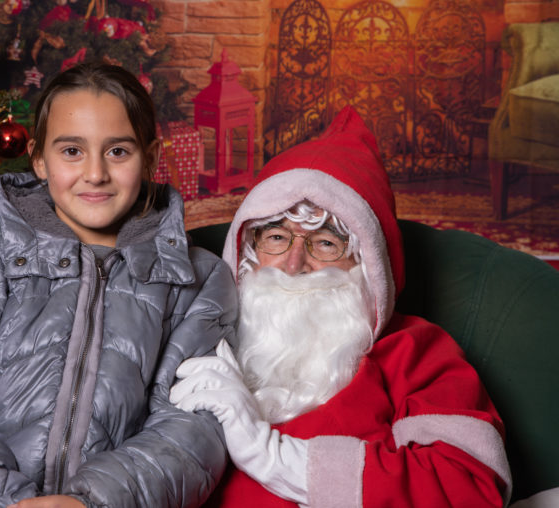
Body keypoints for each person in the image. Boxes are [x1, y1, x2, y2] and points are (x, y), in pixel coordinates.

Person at [0, 62, 238, 508]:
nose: (95, 173)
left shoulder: (198, 278)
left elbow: (192, 429)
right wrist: (0, 501)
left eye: (118, 152)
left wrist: (93, 501)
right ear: (38, 159)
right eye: (72, 151)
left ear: (150, 156)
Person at [168, 106, 512, 507]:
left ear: (368, 267)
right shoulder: (195, 337)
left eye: (326, 243)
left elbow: (469, 486)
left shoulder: (415, 352)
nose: (294, 265)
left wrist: (272, 457)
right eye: (276, 238)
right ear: (246, 252)